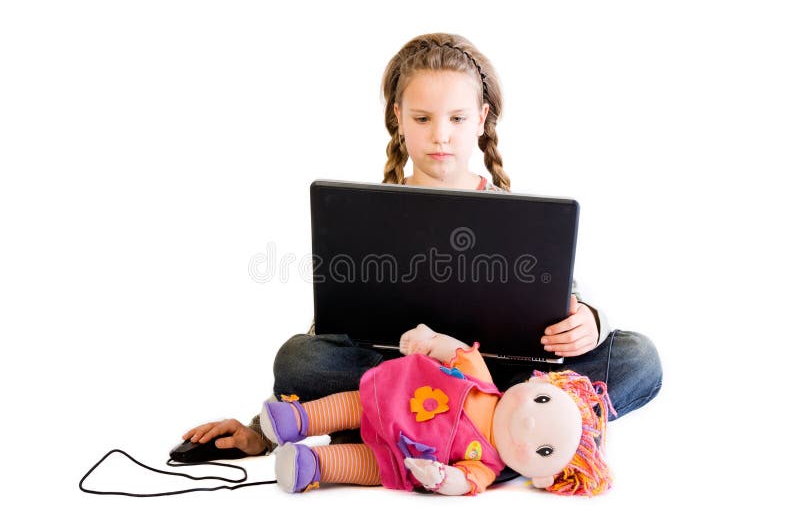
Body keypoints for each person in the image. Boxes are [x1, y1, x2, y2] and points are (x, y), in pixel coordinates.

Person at [181, 33, 662, 461]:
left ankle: (413, 429)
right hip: (403, 375)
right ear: (398, 118)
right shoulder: (367, 211)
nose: (440, 135)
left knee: (638, 358)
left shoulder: (520, 213)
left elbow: (566, 303)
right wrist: (258, 432)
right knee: (298, 357)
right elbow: (332, 331)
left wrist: (589, 323)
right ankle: (498, 438)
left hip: (497, 379)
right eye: (423, 118)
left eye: (456, 117)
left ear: (481, 119)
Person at [260, 323, 614, 496]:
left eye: (544, 450)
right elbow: (462, 354)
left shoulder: (487, 464)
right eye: (542, 400)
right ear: (541, 384)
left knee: (372, 466)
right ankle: (298, 418)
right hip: (394, 393)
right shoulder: (484, 386)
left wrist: (442, 479)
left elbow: (467, 480)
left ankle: (313, 465)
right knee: (355, 401)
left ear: (544, 478)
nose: (530, 420)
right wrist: (430, 342)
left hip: (404, 458)